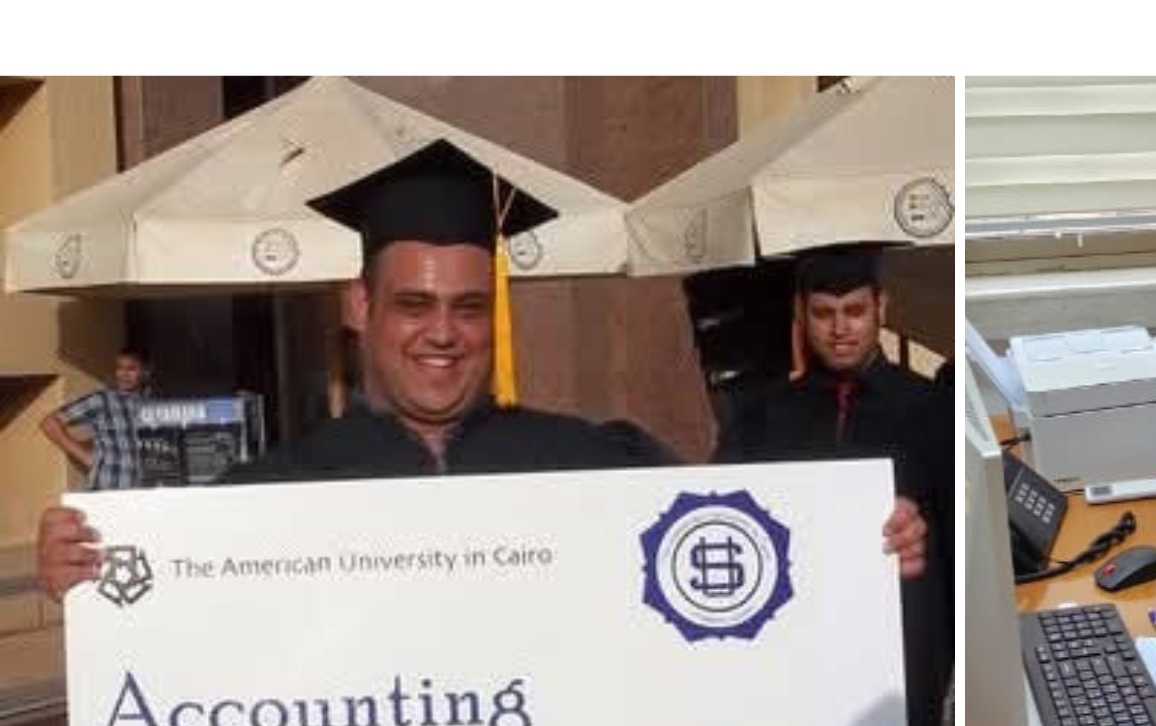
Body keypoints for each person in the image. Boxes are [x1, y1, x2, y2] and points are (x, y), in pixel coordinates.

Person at [38, 140, 926, 599]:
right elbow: (169, 625)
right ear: (360, 307)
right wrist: (82, 570)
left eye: (469, 307)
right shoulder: (265, 498)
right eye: (414, 306)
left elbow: (733, 557)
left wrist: (855, 545)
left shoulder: (598, 463)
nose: (443, 334)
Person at [715, 245, 952, 726]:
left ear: (882, 309)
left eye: (854, 310)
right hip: (796, 649)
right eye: (823, 312)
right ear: (801, 315)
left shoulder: (931, 410)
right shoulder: (760, 418)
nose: (840, 327)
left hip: (900, 651)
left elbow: (963, 535)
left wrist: (922, 533)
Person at [41, 348, 151, 490]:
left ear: (144, 372)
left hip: (139, 491)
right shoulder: (102, 400)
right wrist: (85, 456)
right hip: (107, 487)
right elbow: (49, 423)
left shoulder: (150, 406)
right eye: (119, 368)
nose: (123, 374)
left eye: (131, 369)